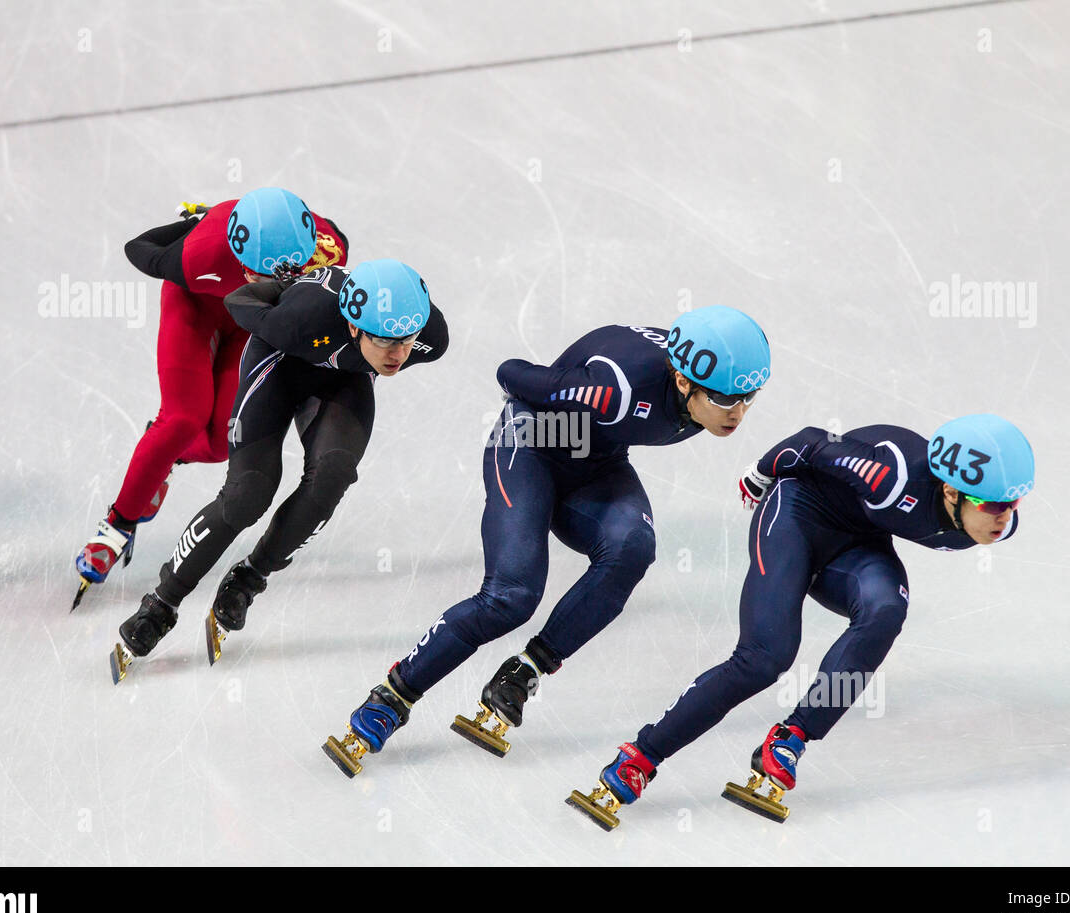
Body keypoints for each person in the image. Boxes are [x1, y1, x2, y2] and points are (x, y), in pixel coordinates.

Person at [324, 307, 772, 776]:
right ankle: (392, 697)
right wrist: (569, 393)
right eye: (725, 400)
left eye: (748, 398)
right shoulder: (614, 390)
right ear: (683, 382)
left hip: (594, 458)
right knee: (511, 597)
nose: (738, 413)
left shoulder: (698, 373)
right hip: (530, 443)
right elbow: (510, 373)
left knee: (633, 547)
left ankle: (523, 674)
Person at [568, 413, 1035, 829]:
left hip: (856, 544)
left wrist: (996, 509)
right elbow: (812, 442)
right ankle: (641, 757)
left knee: (886, 609)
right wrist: (759, 473)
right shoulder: (888, 476)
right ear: (952, 491)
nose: (1005, 518)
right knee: (764, 658)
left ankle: (790, 737)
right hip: (795, 519)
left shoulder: (990, 518)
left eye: (1013, 504)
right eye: (995, 506)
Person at [108, 258, 448, 682]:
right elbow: (238, 299)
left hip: (342, 380)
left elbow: (399, 343)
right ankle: (161, 604)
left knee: (334, 475)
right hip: (279, 364)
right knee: (248, 496)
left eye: (406, 339)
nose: (398, 355)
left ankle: (249, 578)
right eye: (385, 341)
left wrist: (383, 347)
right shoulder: (302, 316)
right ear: (356, 326)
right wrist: (284, 287)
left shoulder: (430, 338)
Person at [73, 187, 348, 610]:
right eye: (255, 272)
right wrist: (193, 225)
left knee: (223, 443)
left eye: (280, 277)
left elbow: (337, 248)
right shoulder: (200, 251)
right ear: (237, 253)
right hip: (195, 308)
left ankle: (167, 457)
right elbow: (139, 247)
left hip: (248, 322)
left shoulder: (327, 250)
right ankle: (118, 523)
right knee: (182, 419)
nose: (264, 283)